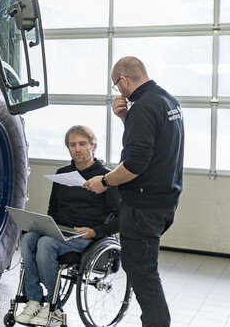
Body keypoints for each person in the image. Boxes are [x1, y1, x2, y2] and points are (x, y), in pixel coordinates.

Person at [83, 56, 183, 327]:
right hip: (165, 202)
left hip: (143, 206)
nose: (119, 91)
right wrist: (126, 118)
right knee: (144, 270)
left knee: (143, 274)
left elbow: (136, 163)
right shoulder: (168, 101)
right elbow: (152, 145)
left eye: (117, 86)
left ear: (125, 79)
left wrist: (104, 181)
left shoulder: (144, 107)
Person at [15, 125, 119, 326]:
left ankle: (54, 306)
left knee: (45, 244)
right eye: (72, 145)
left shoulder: (106, 177)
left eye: (82, 144)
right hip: (62, 231)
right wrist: (46, 226)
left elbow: (120, 217)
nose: (77, 149)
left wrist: (95, 231)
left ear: (93, 147)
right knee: (28, 238)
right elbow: (53, 209)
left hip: (90, 236)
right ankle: (35, 300)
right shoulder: (62, 174)